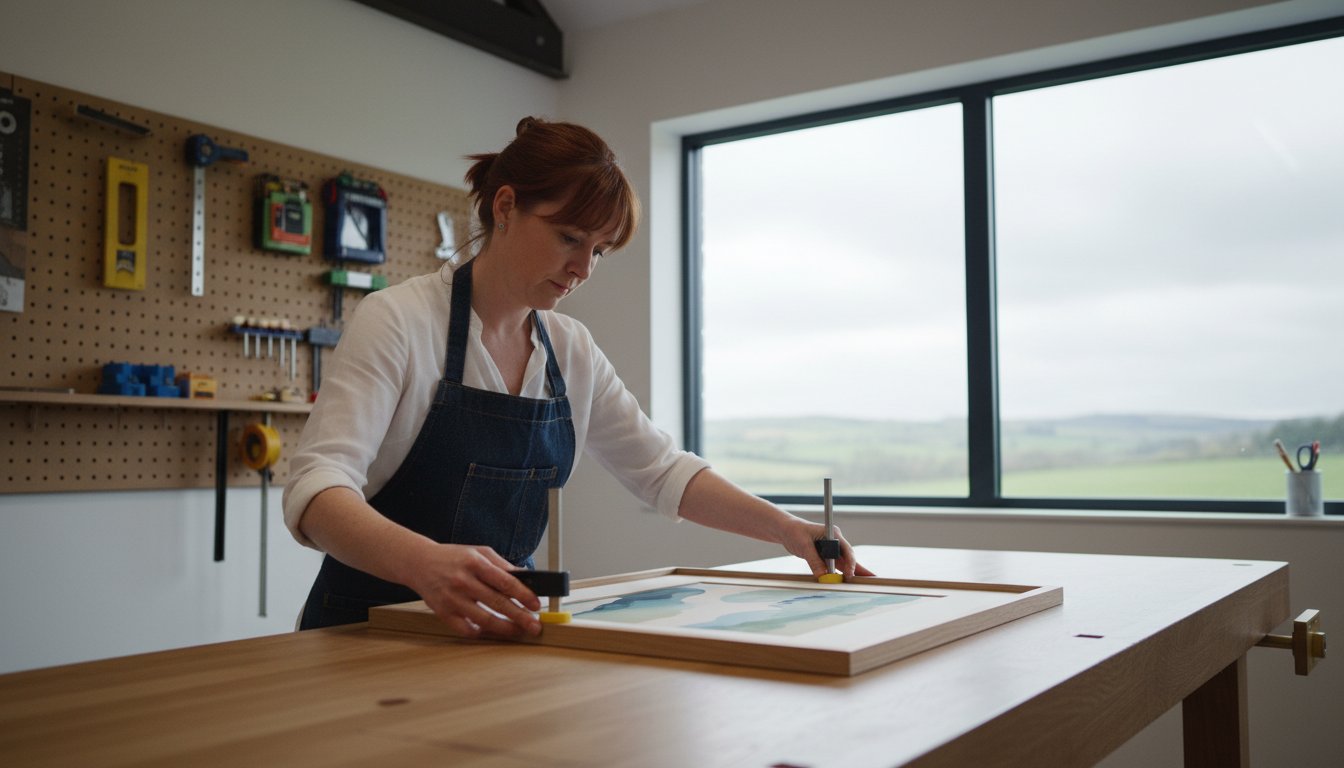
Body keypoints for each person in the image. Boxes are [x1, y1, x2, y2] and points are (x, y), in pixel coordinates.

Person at [282, 116, 870, 637]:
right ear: (505, 207)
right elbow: (315, 491)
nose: (583, 269)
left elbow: (662, 471)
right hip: (365, 634)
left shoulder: (569, 348)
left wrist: (789, 530)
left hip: (495, 635)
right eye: (570, 238)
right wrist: (425, 562)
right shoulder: (399, 321)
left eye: (600, 250)